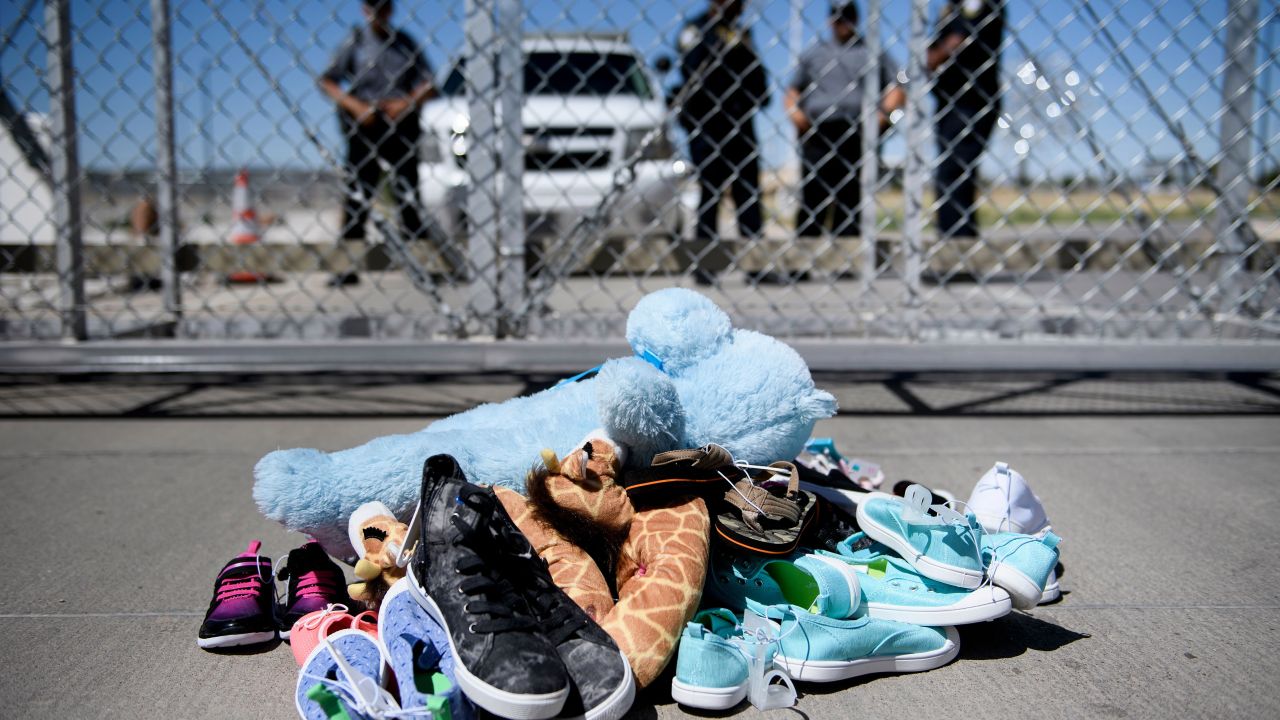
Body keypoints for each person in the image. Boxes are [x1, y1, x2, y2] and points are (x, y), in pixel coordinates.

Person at [319, 0, 450, 286]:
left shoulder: (405, 43)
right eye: (372, 7)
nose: (378, 13)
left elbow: (429, 83)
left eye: (383, 6)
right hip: (364, 125)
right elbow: (328, 81)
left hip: (400, 125)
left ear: (391, 10)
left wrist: (405, 103)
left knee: (408, 195)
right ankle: (346, 267)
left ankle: (421, 265)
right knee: (357, 196)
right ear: (365, 10)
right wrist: (356, 106)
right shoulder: (354, 42)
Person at [787, 2, 905, 242]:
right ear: (830, 20)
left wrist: (882, 116)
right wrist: (795, 113)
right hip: (819, 130)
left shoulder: (870, 51)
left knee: (850, 194)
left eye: (848, 17)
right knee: (813, 193)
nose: (843, 23)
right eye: (838, 18)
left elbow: (898, 84)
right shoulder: (815, 52)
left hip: (856, 129)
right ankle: (803, 255)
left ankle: (846, 257)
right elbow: (793, 88)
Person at [675, 0, 770, 286]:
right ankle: (706, 265)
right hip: (708, 126)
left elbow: (757, 79)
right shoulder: (697, 29)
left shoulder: (742, 34)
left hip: (740, 125)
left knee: (748, 196)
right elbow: (690, 69)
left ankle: (755, 265)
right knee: (710, 196)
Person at [928, 0, 1005, 240]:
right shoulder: (950, 8)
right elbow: (932, 51)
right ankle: (957, 240)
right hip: (949, 100)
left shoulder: (978, 4)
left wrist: (936, 56)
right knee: (952, 171)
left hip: (972, 100)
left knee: (955, 171)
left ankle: (956, 243)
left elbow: (956, 41)